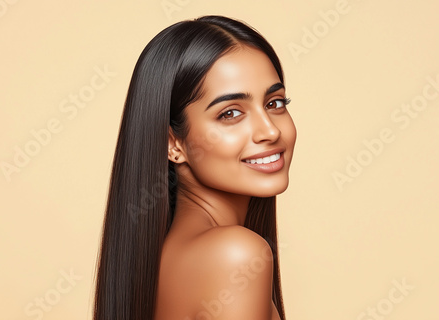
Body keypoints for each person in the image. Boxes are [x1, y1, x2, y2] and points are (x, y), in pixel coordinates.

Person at [93, 15, 296, 320]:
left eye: (274, 103)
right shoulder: (235, 254)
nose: (269, 130)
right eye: (230, 113)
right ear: (174, 143)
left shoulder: (161, 261)